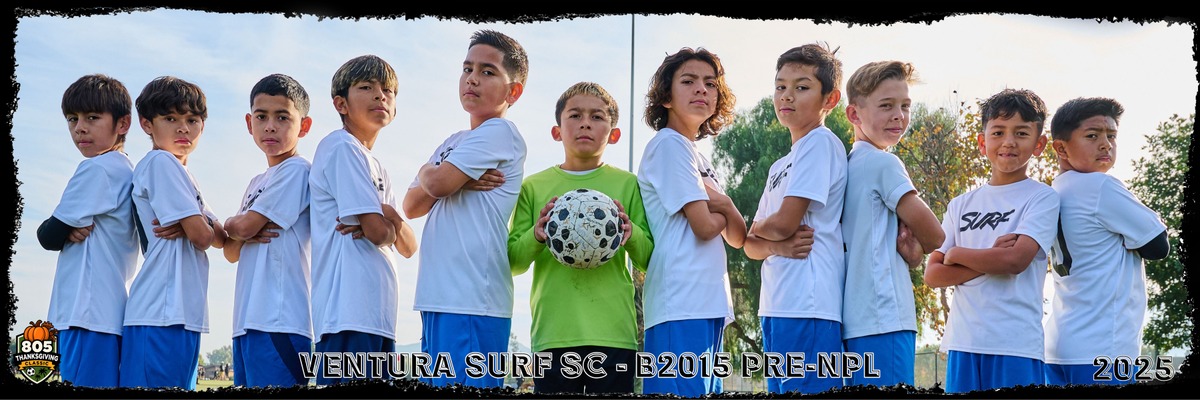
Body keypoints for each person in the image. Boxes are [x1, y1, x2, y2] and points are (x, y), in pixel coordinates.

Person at [402, 30, 528, 389]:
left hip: (472, 300)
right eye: (467, 68)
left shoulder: (501, 132)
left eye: (488, 71)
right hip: (437, 298)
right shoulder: (453, 142)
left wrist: (438, 176)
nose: (472, 78)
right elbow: (411, 206)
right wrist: (440, 174)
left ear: (513, 92)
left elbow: (438, 186)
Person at [508, 82, 652, 394]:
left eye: (597, 117)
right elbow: (514, 262)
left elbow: (648, 259)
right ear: (557, 131)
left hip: (614, 335)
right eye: (575, 115)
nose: (585, 123)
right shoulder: (533, 187)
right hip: (553, 334)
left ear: (614, 134)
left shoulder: (628, 184)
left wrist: (631, 233)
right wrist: (536, 235)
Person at [924, 88, 1059, 393]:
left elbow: (1014, 261)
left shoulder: (1042, 198)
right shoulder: (960, 205)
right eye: (998, 132)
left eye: (1021, 133)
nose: (1009, 141)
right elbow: (933, 274)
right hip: (963, 343)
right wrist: (988, 258)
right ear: (982, 142)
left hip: (1015, 345)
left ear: (1039, 145)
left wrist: (957, 254)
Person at [636, 47, 746, 397]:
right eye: (688, 81)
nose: (702, 88)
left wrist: (723, 204)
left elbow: (738, 237)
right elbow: (705, 227)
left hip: (707, 303)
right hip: (680, 303)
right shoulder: (669, 145)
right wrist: (724, 210)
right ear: (666, 97)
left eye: (710, 83)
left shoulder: (697, 157)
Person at [742, 43, 847, 394]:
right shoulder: (779, 165)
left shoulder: (820, 143)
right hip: (775, 306)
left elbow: (782, 224)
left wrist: (761, 229)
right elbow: (751, 247)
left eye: (801, 87)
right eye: (780, 86)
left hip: (809, 306)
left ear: (830, 99)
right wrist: (777, 246)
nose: (787, 95)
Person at [1043, 97, 1169, 386]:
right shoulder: (1099, 186)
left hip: (1058, 347)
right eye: (1092, 135)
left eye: (1111, 135)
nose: (1105, 144)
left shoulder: (1053, 191)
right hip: (1102, 348)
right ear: (1061, 148)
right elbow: (1158, 246)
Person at [308, 55, 417, 385]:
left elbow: (409, 246)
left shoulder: (376, 165)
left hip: (377, 316)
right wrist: (385, 224)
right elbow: (378, 233)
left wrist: (389, 216)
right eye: (366, 87)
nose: (380, 95)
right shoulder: (342, 147)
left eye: (388, 90)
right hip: (347, 314)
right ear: (341, 104)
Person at [839, 60, 944, 387]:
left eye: (905, 106)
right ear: (854, 114)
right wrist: (918, 248)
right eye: (886, 105)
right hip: (885, 317)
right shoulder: (884, 163)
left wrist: (911, 251)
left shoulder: (843, 167)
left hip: (851, 321)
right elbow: (936, 235)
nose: (899, 115)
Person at [121, 76, 228, 389]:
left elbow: (221, 237)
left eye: (192, 120)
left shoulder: (184, 174)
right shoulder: (160, 162)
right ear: (146, 124)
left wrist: (194, 223)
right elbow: (204, 237)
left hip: (180, 312)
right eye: (170, 119)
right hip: (159, 311)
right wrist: (196, 226)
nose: (183, 129)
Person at [38, 74, 137, 388]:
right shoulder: (126, 169)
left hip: (85, 313)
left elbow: (48, 236)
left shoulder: (98, 168)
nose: (79, 127)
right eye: (72, 119)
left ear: (123, 123)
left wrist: (62, 229)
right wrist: (66, 228)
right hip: (108, 311)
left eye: (92, 117)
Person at [223, 73, 317, 388]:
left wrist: (234, 225)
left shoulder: (297, 170)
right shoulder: (256, 182)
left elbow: (243, 227)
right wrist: (240, 231)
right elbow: (231, 251)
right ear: (249, 123)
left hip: (280, 320)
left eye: (282, 117)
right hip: (246, 320)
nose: (270, 126)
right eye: (261, 117)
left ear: (304, 126)